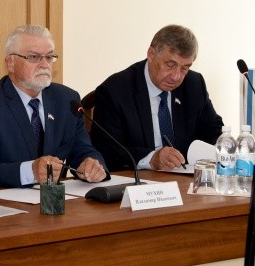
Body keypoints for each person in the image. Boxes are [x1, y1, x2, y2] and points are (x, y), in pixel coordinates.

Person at [0, 24, 109, 187]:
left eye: (49, 57)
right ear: (10, 63)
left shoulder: (67, 100)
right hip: (8, 199)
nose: (44, 64)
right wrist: (30, 172)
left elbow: (82, 150)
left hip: (56, 199)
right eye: (34, 57)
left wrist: (91, 165)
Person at [90, 24, 224, 172]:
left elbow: (214, 131)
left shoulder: (194, 84)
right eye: (170, 65)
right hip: (138, 180)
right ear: (151, 54)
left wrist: (227, 147)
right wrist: (152, 159)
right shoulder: (115, 91)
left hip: (184, 180)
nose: (176, 76)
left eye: (184, 68)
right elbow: (107, 150)